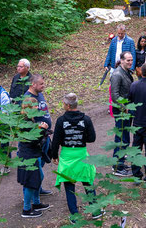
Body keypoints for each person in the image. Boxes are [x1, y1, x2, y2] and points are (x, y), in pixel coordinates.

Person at [52, 93, 101, 222]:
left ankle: (75, 216)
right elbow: (92, 138)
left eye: (63, 103)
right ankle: (95, 211)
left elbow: (55, 140)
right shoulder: (86, 119)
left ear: (68, 106)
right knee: (88, 182)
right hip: (81, 155)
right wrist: (80, 137)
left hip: (67, 156)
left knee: (69, 187)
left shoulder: (61, 121)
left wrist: (54, 156)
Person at [17, 97, 50, 218]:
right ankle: (26, 209)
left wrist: (41, 129)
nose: (38, 108)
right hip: (28, 155)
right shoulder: (25, 122)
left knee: (39, 177)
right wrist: (41, 130)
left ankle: (36, 203)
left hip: (33, 154)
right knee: (30, 182)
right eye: (35, 106)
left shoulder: (30, 120)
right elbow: (32, 140)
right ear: (28, 108)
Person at [25, 74, 53, 196]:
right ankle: (30, 195)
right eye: (41, 84)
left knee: (40, 165)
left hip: (44, 136)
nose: (43, 86)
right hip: (35, 139)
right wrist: (38, 128)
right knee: (34, 168)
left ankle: (38, 189)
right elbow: (25, 121)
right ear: (33, 84)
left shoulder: (39, 94)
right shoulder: (27, 98)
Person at [110, 51, 134, 176]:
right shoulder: (117, 74)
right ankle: (117, 167)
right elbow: (114, 95)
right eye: (127, 60)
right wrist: (123, 107)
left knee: (125, 137)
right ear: (122, 60)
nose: (130, 62)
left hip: (127, 110)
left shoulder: (127, 72)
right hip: (121, 111)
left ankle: (121, 163)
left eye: (131, 60)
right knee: (121, 138)